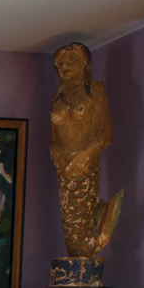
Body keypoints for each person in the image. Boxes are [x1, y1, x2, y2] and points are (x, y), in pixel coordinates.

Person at [50, 42, 122, 257]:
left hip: (86, 165)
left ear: (85, 63)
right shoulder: (56, 98)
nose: (65, 66)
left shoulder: (94, 89)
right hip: (64, 170)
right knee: (70, 232)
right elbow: (54, 140)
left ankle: (100, 225)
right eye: (61, 63)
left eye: (71, 61)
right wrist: (58, 157)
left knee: (82, 232)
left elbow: (106, 134)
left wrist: (84, 155)